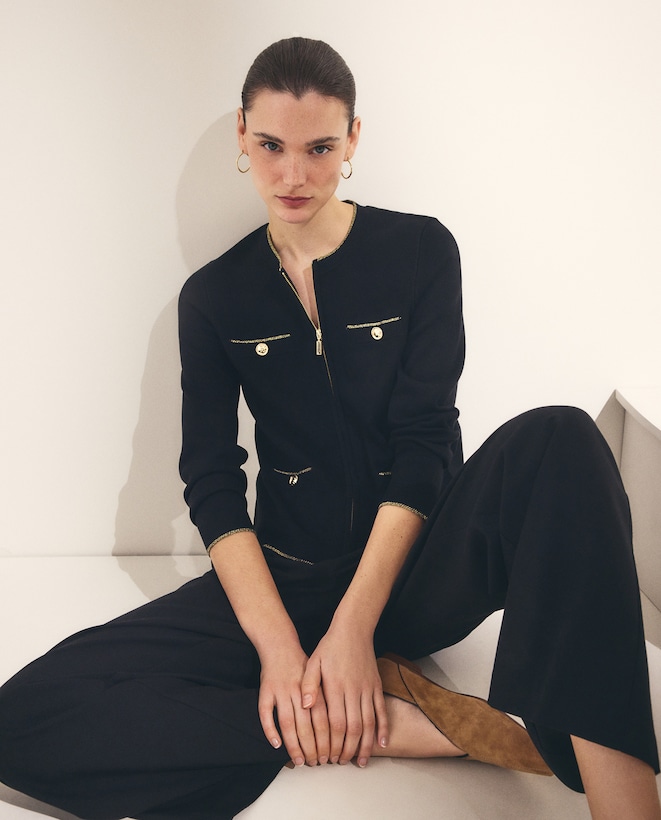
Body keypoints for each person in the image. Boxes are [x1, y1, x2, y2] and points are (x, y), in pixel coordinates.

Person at [0, 36, 659, 820]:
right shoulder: (213, 297)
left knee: (562, 437)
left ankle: (626, 806)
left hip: (414, 574)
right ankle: (387, 724)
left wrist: (352, 632)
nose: (292, 176)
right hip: (290, 578)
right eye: (270, 146)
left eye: (318, 148)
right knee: (23, 718)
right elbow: (212, 482)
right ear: (242, 136)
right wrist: (282, 651)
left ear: (352, 140)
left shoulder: (419, 251)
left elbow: (425, 444)